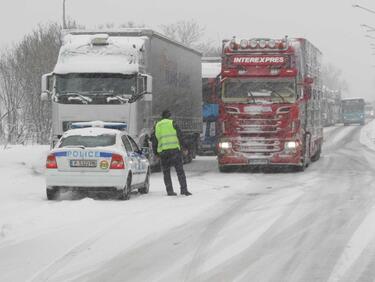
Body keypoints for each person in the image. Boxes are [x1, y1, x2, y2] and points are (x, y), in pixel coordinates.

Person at [151, 110, 192, 196]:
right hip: (174, 151)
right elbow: (180, 136)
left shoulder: (157, 125)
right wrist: (184, 148)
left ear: (162, 117)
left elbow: (154, 141)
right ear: (169, 116)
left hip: (163, 152)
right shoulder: (173, 123)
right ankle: (184, 190)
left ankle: (170, 191)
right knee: (180, 171)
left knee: (166, 173)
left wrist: (156, 153)